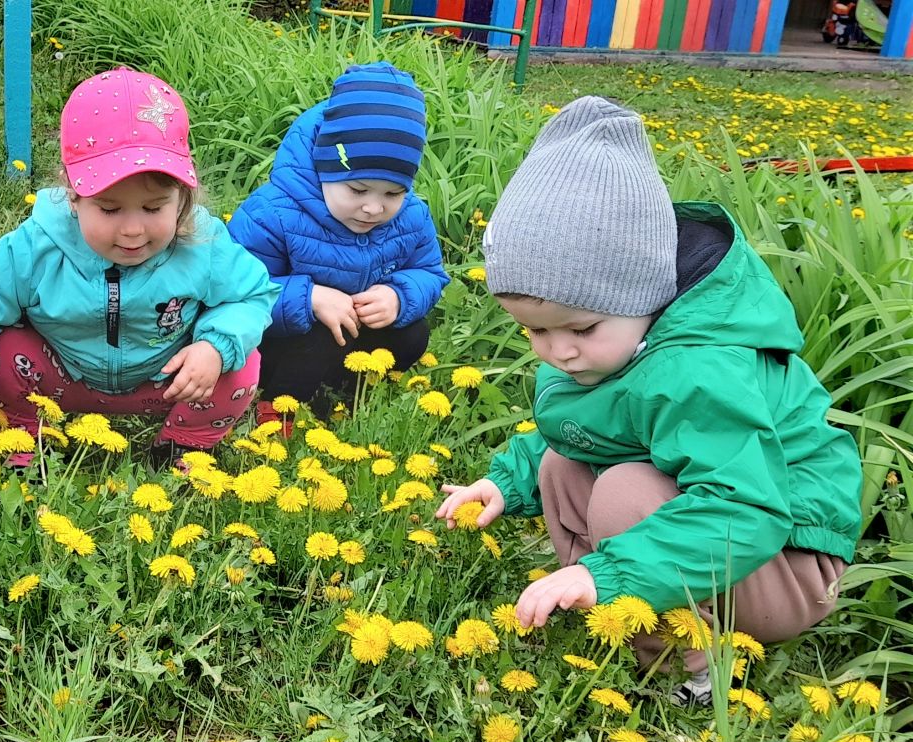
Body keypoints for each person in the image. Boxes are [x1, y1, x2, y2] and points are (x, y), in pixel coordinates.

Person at [435, 96, 861, 705]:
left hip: (783, 560)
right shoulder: (621, 341)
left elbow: (745, 508)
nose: (559, 351)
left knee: (624, 491)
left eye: (580, 329)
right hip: (720, 541)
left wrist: (609, 572)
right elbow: (594, 423)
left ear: (645, 296)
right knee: (561, 464)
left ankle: (691, 673)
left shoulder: (699, 368)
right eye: (534, 331)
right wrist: (508, 481)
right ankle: (608, 614)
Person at [0, 68, 279, 467]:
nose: (133, 230)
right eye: (109, 209)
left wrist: (214, 346)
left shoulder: (202, 244)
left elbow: (251, 295)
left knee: (239, 364)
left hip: (166, 381)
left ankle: (183, 444)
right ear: (72, 197)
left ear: (182, 196)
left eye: (153, 208)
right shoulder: (36, 247)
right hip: (60, 376)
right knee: (0, 351)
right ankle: (20, 437)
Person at [228, 62, 446, 428]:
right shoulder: (274, 212)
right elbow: (236, 288)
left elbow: (428, 271)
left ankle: (347, 394)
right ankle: (277, 410)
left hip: (354, 330)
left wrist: (399, 296)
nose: (374, 208)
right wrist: (308, 298)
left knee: (414, 333)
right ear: (324, 167)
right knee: (318, 334)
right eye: (358, 190)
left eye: (393, 193)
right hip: (284, 339)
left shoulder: (411, 216)